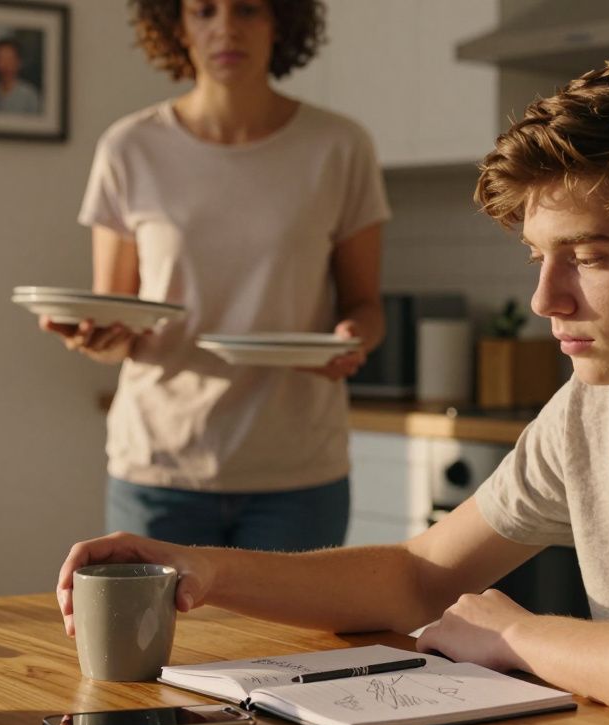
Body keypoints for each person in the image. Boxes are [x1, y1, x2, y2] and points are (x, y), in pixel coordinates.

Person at [56, 49, 609, 725]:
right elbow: (418, 576)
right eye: (538, 258)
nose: (544, 300)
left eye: (588, 258)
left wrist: (514, 635)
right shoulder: (599, 405)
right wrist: (199, 568)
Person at [42, 0, 388, 552]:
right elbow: (117, 315)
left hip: (297, 473)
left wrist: (353, 340)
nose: (226, 27)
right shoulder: (129, 148)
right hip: (159, 469)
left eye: (248, 9)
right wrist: (98, 339)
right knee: (155, 641)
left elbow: (365, 305)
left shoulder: (339, 147)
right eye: (204, 10)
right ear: (177, 27)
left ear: (280, 23)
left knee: (301, 643)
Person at [0, 37, 42, 115]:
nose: (5, 64)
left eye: (9, 59)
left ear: (19, 62)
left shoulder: (30, 95)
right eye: (1, 59)